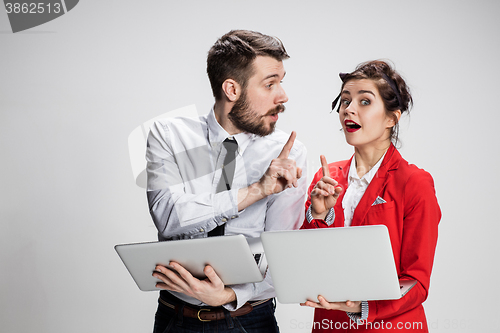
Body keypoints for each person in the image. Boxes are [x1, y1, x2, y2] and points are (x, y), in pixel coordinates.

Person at [146, 30, 307, 332]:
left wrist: (230, 295)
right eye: (270, 84)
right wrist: (257, 191)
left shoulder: (289, 153)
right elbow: (168, 217)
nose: (283, 96)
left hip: (250, 319)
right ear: (232, 89)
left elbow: (281, 254)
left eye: (281, 82)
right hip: (175, 318)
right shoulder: (169, 136)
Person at [301, 60, 441, 332]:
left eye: (364, 102)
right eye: (345, 101)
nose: (348, 110)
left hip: (393, 326)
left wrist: (361, 306)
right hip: (330, 325)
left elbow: (417, 281)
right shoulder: (326, 178)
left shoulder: (414, 183)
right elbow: (307, 263)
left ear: (392, 118)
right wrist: (318, 214)